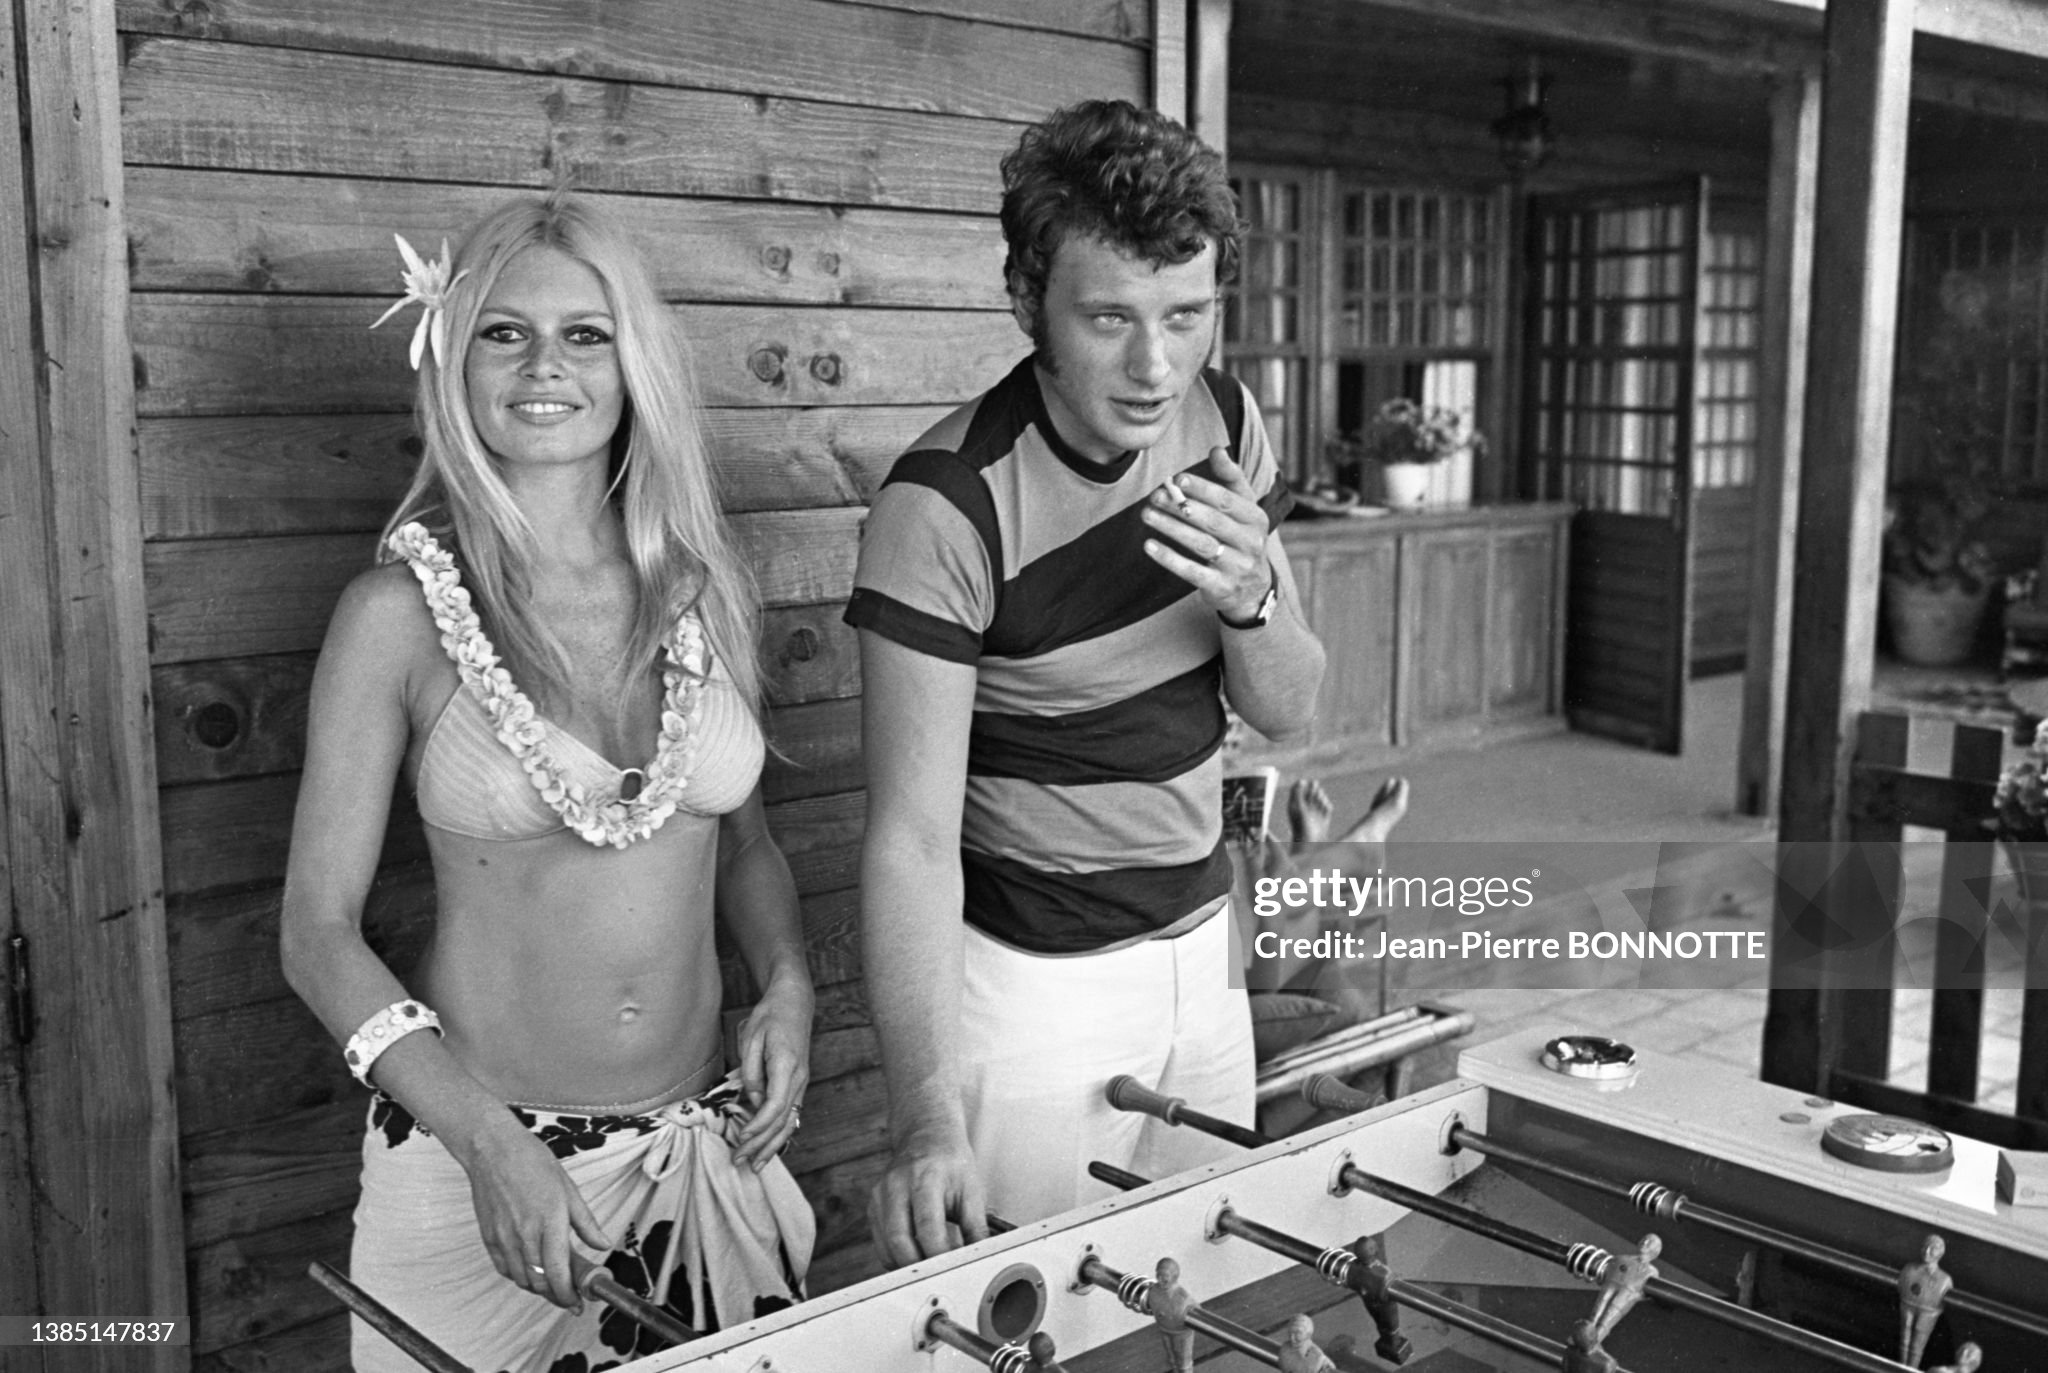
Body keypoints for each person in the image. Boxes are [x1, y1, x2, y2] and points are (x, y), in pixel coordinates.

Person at [281, 194, 814, 1373]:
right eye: (503, 331)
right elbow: (316, 935)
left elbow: (747, 846)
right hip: (479, 1160)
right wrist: (485, 1144)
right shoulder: (396, 617)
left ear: (634, 364)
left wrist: (785, 983)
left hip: (701, 1149)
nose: (544, 366)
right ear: (450, 353)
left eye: (586, 333)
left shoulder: (701, 593)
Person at [847, 97, 1325, 1261]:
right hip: (1032, 986)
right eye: (1108, 317)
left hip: (1201, 949)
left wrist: (1248, 595)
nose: (1154, 365)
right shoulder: (945, 505)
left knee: (1200, 1291)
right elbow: (908, 839)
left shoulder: (1224, 417)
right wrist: (921, 1118)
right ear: (1026, 302)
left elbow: (1290, 707)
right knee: (1033, 1316)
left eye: (1185, 314)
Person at [1898, 1233, 1953, 1367]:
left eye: (1932, 1248)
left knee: (1917, 1346)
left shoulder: (1944, 1279)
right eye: (1925, 1247)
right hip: (1908, 1306)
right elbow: (1901, 1286)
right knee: (1904, 1341)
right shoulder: (1909, 1269)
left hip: (1928, 1313)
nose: (1927, 1251)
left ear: (1941, 1253)